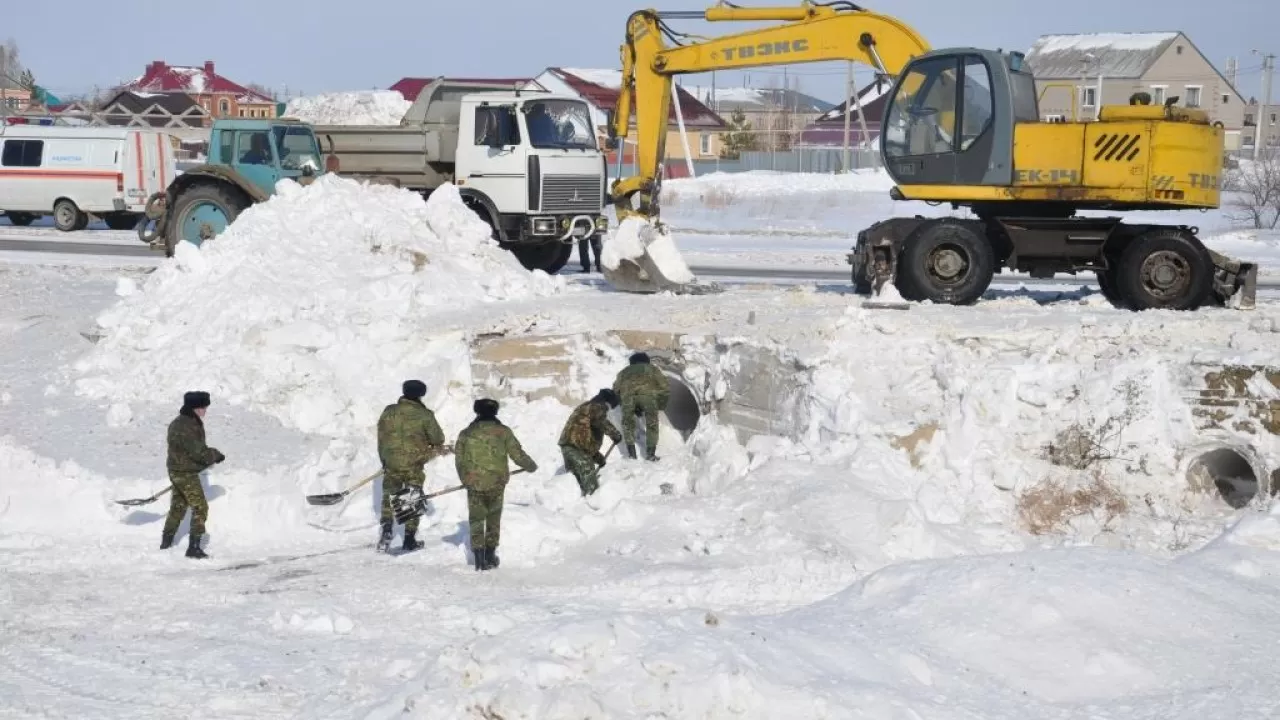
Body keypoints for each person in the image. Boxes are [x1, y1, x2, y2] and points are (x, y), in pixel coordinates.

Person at [454, 398, 537, 571]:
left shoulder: (466, 434)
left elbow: (459, 460)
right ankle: (490, 555)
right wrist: (530, 466)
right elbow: (517, 454)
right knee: (493, 517)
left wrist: (466, 479)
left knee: (476, 519)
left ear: (477, 411)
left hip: (474, 483)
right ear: (495, 412)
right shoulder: (503, 432)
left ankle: (478, 557)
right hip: (496, 483)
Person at [376, 379, 447, 553]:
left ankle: (386, 530)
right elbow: (438, 439)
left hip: (391, 462)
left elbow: (381, 437)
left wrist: (385, 461)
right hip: (413, 464)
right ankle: (409, 539)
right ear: (421, 395)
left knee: (388, 496)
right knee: (411, 497)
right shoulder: (425, 415)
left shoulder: (389, 411)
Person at [162, 391, 225, 559]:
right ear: (196, 408)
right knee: (200, 507)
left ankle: (166, 542)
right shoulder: (189, 426)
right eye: (204, 407)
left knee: (178, 507)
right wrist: (216, 455)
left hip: (176, 470)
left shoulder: (179, 422)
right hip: (186, 472)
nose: (205, 410)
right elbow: (199, 452)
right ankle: (194, 548)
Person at [558, 388, 621, 496]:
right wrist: (615, 435)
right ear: (607, 402)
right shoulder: (597, 407)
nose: (608, 410)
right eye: (610, 406)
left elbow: (586, 439)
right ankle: (594, 510)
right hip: (577, 449)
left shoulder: (586, 407)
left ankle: (574, 508)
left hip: (569, 447)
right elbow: (602, 422)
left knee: (575, 485)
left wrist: (599, 459)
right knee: (592, 489)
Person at [612, 352, 671, 461]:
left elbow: (616, 389)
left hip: (628, 398)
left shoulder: (623, 372)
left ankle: (632, 454)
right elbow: (665, 387)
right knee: (652, 425)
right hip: (648, 398)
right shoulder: (652, 369)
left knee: (627, 424)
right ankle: (651, 454)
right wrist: (661, 405)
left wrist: (623, 402)